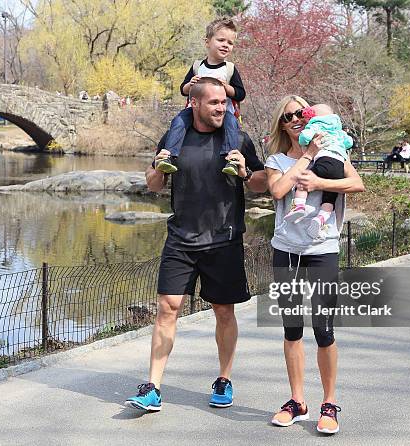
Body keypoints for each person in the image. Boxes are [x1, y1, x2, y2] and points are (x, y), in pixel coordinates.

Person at [125, 77, 267, 412]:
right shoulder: (176, 138)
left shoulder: (237, 139)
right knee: (166, 308)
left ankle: (224, 378)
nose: (222, 108)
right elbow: (154, 184)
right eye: (215, 103)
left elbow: (262, 183)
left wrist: (246, 173)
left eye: (224, 102)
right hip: (181, 239)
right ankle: (153, 387)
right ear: (195, 104)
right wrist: (158, 169)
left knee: (223, 311)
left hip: (224, 240)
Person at [264, 95, 365, 434]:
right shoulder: (277, 158)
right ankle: (297, 401)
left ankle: (329, 403)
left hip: (322, 248)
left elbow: (356, 183)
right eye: (288, 116)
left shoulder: (334, 149)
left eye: (301, 114)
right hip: (287, 249)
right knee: (291, 328)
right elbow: (278, 191)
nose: (295, 119)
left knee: (323, 329)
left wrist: (320, 182)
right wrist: (306, 156)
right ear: (282, 123)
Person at [155, 17, 246, 176]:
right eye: (221, 40)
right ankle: (168, 156)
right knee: (178, 121)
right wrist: (191, 84)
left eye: (230, 43)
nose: (226, 45)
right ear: (207, 42)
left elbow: (240, 93)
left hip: (223, 112)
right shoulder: (198, 66)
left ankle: (231, 158)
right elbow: (183, 90)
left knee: (231, 123)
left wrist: (227, 87)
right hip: (194, 110)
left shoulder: (229, 69)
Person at [284, 104, 353, 241]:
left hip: (324, 161)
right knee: (329, 199)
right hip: (338, 167)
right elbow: (349, 142)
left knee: (302, 182)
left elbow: (303, 138)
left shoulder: (315, 126)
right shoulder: (338, 130)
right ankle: (320, 219)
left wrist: (308, 146)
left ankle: (298, 206)